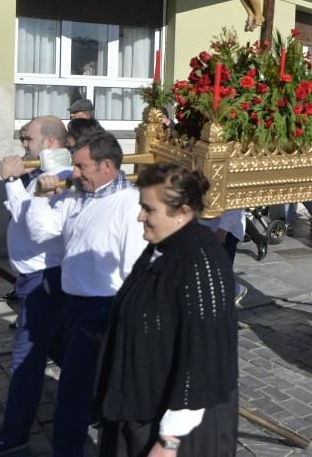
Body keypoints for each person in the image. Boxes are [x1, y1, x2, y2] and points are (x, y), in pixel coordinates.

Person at [95, 163, 238, 456]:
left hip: (174, 427)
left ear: (182, 213)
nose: (140, 217)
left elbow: (204, 355)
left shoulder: (201, 261)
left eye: (149, 209)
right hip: (140, 405)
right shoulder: (161, 247)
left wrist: (169, 441)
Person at [27, 130, 146, 456]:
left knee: (72, 392)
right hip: (72, 302)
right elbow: (40, 232)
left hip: (103, 309)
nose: (74, 173)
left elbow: (134, 270)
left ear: (106, 165)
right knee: (80, 384)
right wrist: (39, 197)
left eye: (81, 166)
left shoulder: (130, 204)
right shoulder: (78, 196)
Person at [0, 117, 75, 457]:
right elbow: (23, 212)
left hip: (48, 278)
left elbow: (39, 230)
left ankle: (12, 436)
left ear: (49, 143)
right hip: (39, 277)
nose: (22, 143)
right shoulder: (44, 174)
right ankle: (99, 400)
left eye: (27, 138)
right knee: (64, 348)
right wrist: (17, 182)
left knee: (26, 360)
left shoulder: (61, 177)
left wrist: (13, 179)